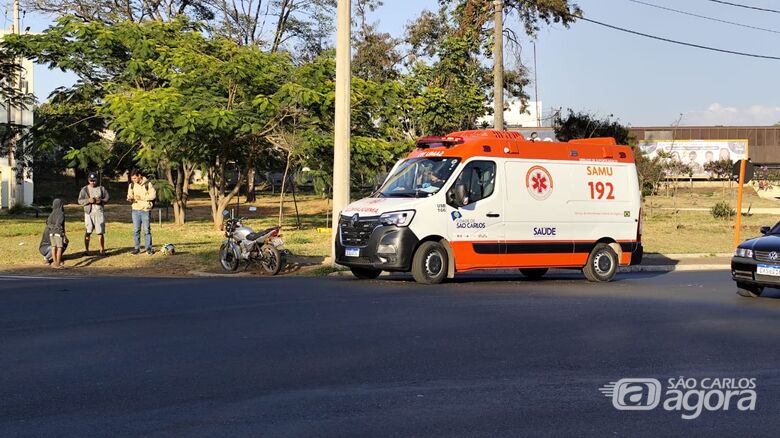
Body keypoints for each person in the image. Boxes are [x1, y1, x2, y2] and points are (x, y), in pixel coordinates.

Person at [78, 172, 109, 256]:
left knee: (100, 232)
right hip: (88, 213)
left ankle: (102, 250)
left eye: (94, 180)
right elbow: (80, 200)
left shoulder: (101, 188)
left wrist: (101, 201)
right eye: (91, 180)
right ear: (88, 180)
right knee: (88, 231)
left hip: (99, 212)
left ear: (97, 180)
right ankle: (87, 250)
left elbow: (107, 198)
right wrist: (88, 200)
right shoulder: (84, 189)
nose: (92, 182)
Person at [126, 169, 157, 255]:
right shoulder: (132, 185)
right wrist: (130, 198)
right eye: (132, 179)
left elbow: (153, 195)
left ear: (139, 176)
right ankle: (137, 249)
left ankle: (149, 249)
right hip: (135, 210)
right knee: (136, 230)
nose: (133, 180)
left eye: (135, 178)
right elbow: (129, 195)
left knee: (147, 230)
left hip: (145, 210)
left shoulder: (148, 184)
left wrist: (141, 198)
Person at [46, 198, 67, 269]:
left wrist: (52, 228)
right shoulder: (61, 213)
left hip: (51, 232)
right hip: (58, 232)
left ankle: (54, 263)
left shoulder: (51, 214)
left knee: (53, 247)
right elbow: (59, 224)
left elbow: (48, 223)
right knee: (59, 247)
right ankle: (58, 263)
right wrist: (63, 234)